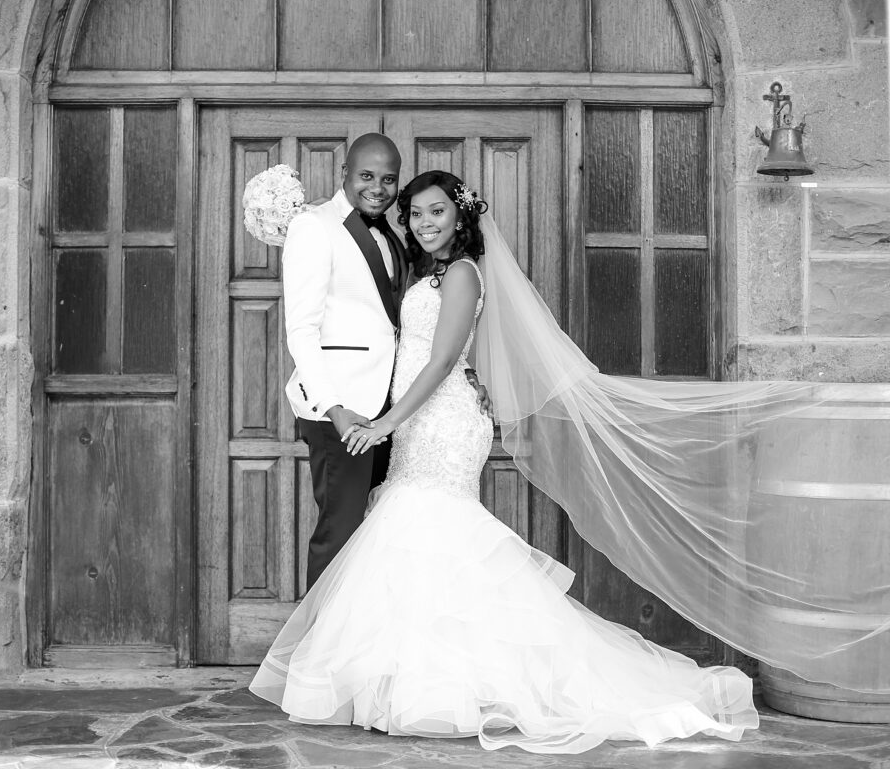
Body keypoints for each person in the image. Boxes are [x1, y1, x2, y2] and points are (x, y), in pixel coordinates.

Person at [251, 171, 758, 754]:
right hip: (420, 420)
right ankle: (406, 683)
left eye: (437, 212)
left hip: (441, 421)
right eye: (416, 213)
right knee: (415, 539)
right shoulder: (430, 271)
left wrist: (387, 422)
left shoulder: (463, 273)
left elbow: (443, 360)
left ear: (460, 217)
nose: (424, 223)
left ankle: (444, 689)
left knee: (432, 530)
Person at [283, 135, 489, 591]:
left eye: (388, 179)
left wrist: (463, 372)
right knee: (341, 533)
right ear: (345, 174)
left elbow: (411, 330)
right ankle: (320, 635)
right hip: (347, 408)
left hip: (396, 412)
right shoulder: (315, 226)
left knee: (379, 537)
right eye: (366, 176)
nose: (377, 188)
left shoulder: (401, 243)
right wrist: (334, 409)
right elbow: (301, 330)